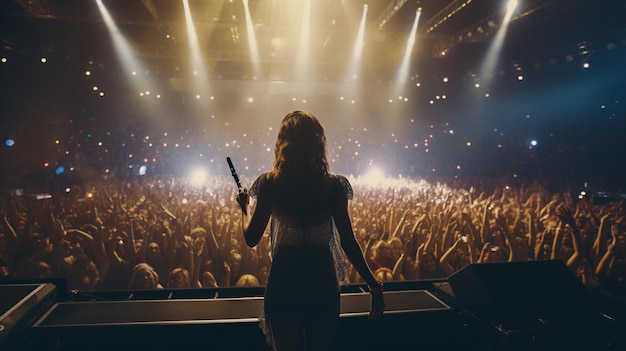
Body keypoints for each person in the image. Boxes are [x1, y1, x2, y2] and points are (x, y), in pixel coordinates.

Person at [236, 110, 384, 351]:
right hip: (321, 278)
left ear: (282, 143)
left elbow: (251, 238)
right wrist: (374, 285)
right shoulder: (335, 186)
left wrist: (244, 208)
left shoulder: (269, 184)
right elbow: (348, 241)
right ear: (319, 143)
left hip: (284, 279)